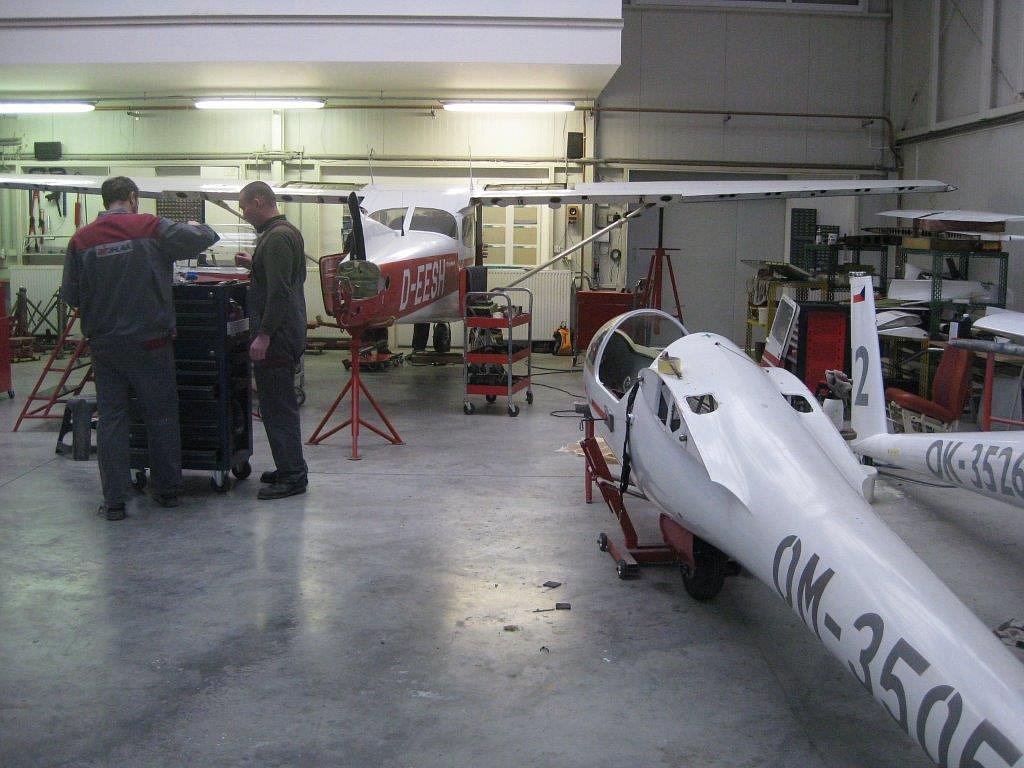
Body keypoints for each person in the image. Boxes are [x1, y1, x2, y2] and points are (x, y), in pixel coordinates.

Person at [61, 176, 219, 520]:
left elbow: (72, 296)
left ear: (105, 201)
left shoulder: (81, 239)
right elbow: (205, 237)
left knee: (112, 420)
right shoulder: (151, 227)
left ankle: (115, 501)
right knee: (160, 415)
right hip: (151, 344)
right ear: (133, 197)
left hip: (106, 347)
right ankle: (167, 491)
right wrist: (194, 225)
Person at [238, 181, 309, 500]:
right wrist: (253, 264)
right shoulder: (282, 232)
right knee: (274, 404)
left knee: (278, 406)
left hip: (278, 335)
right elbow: (282, 277)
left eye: (244, 207)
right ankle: (289, 466)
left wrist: (264, 335)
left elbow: (280, 291)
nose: (243, 213)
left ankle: (293, 476)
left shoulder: (277, 237)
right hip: (284, 331)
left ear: (258, 202)